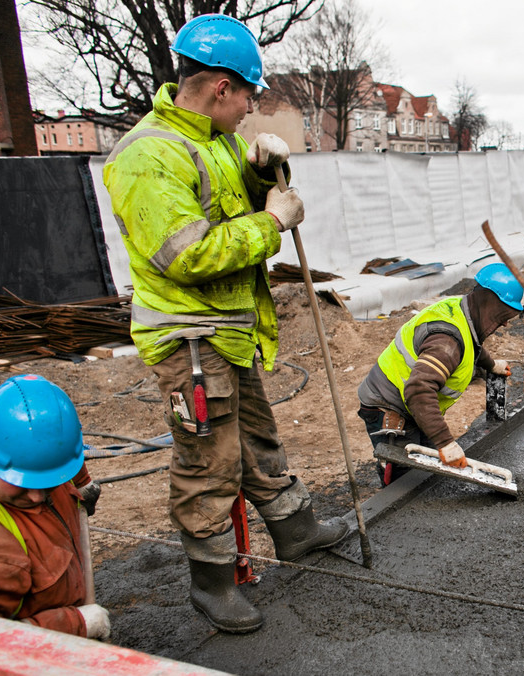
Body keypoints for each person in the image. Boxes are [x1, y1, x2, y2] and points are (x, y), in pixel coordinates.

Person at [102, 14, 347, 634]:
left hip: (228, 333)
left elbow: (234, 198)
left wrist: (263, 172)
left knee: (258, 439)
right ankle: (212, 585)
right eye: (248, 97)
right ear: (220, 88)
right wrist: (273, 224)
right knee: (208, 463)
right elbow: (186, 256)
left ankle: (296, 529)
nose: (249, 110)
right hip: (188, 340)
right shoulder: (149, 156)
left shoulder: (216, 139)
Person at [0, 375, 109, 641]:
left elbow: (52, 441)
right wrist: (75, 624)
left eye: (49, 481)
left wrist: (80, 479)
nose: (37, 497)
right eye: (21, 482)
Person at [358, 263, 523, 484]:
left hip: (410, 404)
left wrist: (491, 365)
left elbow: (471, 343)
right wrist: (445, 442)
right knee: (404, 480)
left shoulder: (461, 310)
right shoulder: (447, 341)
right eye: (503, 314)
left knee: (427, 466)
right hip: (390, 406)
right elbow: (419, 390)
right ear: (488, 303)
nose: (504, 322)